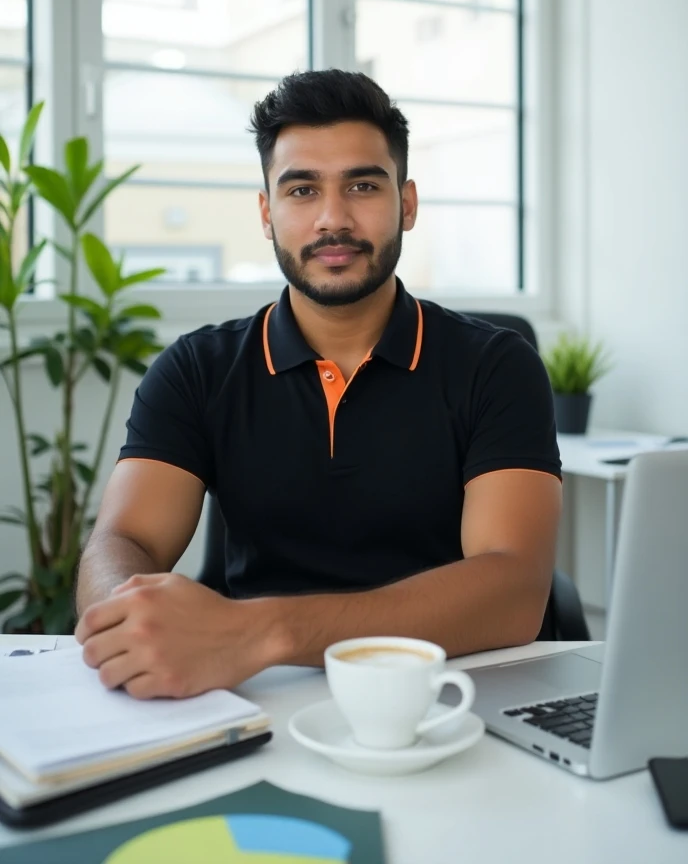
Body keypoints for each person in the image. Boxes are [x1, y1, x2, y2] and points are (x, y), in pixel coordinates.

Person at [75, 70, 562, 700]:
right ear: (266, 212)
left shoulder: (497, 364)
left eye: (362, 185)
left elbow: (512, 591)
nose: (333, 219)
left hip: (452, 689)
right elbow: (123, 541)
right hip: (253, 695)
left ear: (406, 204)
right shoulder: (197, 370)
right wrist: (132, 620)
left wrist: (260, 630)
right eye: (301, 189)